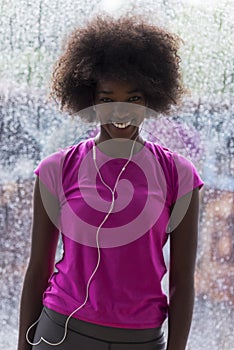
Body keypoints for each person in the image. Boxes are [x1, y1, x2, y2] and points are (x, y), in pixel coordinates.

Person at [17, 16, 204, 350]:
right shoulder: (56, 169)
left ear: (152, 98)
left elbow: (182, 284)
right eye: (107, 99)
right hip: (61, 333)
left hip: (142, 340)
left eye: (133, 98)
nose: (120, 110)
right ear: (90, 101)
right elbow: (38, 270)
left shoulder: (180, 175)